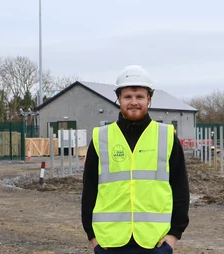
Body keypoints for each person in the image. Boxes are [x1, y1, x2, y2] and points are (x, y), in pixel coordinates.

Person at [81, 65, 190, 253]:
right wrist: (93, 237)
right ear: (119, 99)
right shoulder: (101, 138)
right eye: (127, 97)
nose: (134, 102)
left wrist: (173, 236)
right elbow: (89, 190)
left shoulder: (166, 136)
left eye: (139, 96)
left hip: (155, 243)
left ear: (149, 99)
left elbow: (180, 189)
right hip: (110, 243)